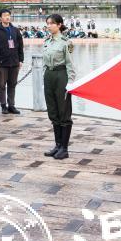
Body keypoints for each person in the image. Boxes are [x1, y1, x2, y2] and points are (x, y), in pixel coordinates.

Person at [41, 14, 74, 160]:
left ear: (59, 25)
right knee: (53, 111)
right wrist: (45, 76)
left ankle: (64, 149)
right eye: (47, 23)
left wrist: (70, 82)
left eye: (51, 23)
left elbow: (70, 63)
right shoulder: (47, 41)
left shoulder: (66, 42)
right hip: (49, 75)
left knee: (63, 111)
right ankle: (58, 145)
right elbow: (44, 62)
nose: (49, 26)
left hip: (61, 76)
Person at [0, 10, 24, 115]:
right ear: (0, 18)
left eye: (9, 15)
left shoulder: (15, 30)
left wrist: (21, 59)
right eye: (5, 15)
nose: (7, 17)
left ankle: (11, 105)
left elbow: (20, 46)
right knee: (1, 85)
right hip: (1, 63)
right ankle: (3, 105)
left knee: (12, 84)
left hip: (14, 62)